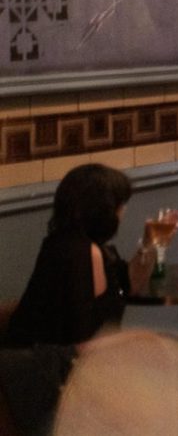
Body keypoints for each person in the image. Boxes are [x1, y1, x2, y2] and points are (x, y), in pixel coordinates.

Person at [1, 164, 135, 436]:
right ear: (104, 210)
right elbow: (80, 336)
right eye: (120, 204)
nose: (124, 211)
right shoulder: (81, 253)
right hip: (42, 372)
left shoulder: (74, 245)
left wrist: (151, 245)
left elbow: (128, 287)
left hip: (59, 363)